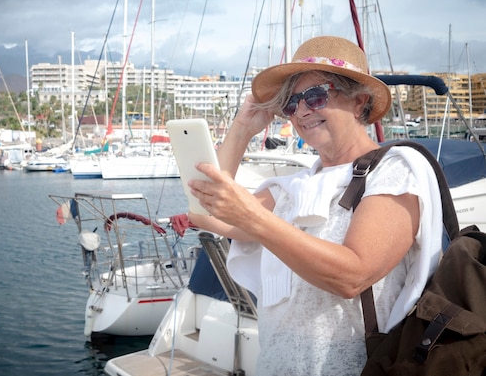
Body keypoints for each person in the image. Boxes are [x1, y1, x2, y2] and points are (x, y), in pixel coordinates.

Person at [187, 36, 443, 375]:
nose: (302, 110)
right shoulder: (294, 187)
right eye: (292, 103)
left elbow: (352, 276)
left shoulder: (395, 170)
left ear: (358, 101)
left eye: (315, 95)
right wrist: (242, 128)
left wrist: (254, 218)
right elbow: (204, 211)